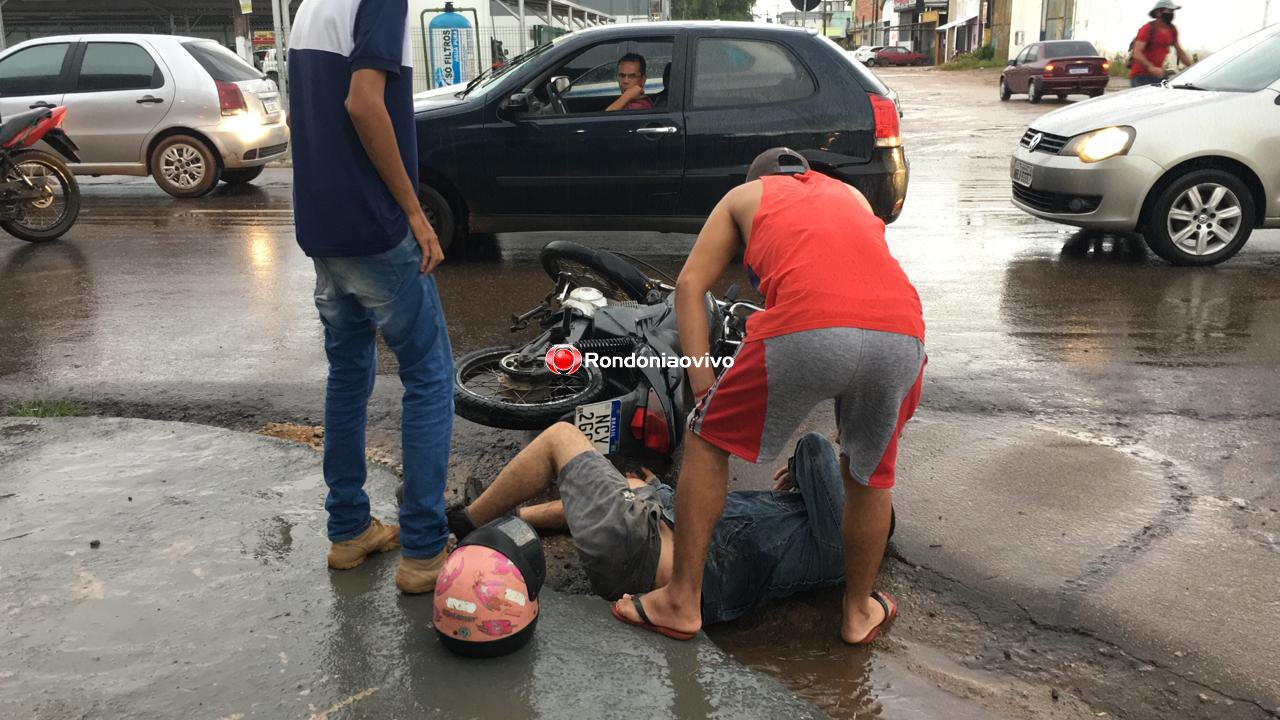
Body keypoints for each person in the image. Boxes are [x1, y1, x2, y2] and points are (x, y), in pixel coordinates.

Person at [612, 148, 926, 644]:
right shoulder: (850, 196)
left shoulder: (745, 195)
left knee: (707, 439)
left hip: (809, 321)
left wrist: (702, 386)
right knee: (870, 474)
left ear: (757, 179)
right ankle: (858, 611)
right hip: (903, 330)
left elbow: (691, 286)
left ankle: (681, 601)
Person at [289, 0, 453, 593]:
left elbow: (304, 115)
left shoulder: (312, 6)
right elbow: (363, 102)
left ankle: (349, 531)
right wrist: (414, 211)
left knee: (349, 372)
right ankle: (424, 549)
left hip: (323, 229)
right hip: (374, 228)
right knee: (431, 375)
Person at [447, 423, 888, 631]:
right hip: (650, 541)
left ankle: (466, 522)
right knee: (636, 485)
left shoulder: (839, 547)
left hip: (642, 549)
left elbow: (815, 448)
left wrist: (805, 466)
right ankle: (516, 518)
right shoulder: (818, 542)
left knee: (561, 437)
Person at [1131, 0, 1191, 87]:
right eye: (1169, 11)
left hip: (1159, 74)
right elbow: (1137, 53)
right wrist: (1151, 67)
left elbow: (1179, 51)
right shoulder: (1147, 29)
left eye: (1173, 11)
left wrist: (1192, 66)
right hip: (1141, 76)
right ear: (1158, 12)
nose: (1172, 13)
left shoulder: (1172, 30)